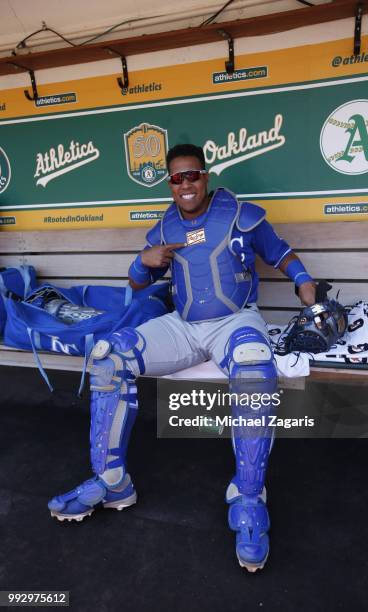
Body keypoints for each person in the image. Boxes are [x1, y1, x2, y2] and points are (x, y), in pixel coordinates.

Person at [48, 143, 316, 572]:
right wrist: (141, 262)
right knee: (107, 355)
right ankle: (112, 481)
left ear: (205, 177)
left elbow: (280, 252)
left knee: (252, 367)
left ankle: (248, 497)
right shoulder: (164, 229)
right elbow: (138, 283)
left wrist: (304, 284)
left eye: (193, 175)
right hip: (184, 325)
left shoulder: (239, 215)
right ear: (170, 184)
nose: (186, 184)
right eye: (177, 178)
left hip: (234, 321)